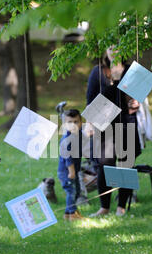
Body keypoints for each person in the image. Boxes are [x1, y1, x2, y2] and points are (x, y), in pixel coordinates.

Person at [89, 64, 143, 217]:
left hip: (127, 125)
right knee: (104, 166)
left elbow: (136, 105)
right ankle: (104, 207)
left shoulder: (132, 80)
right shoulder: (103, 78)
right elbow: (92, 99)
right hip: (106, 127)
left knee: (126, 165)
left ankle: (121, 207)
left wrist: (134, 103)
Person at [58, 109, 84, 221]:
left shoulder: (78, 135)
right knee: (71, 192)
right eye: (69, 122)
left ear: (81, 122)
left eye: (76, 122)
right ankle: (72, 214)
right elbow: (67, 157)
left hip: (74, 170)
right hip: (67, 172)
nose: (73, 125)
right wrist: (71, 171)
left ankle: (67, 213)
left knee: (77, 191)